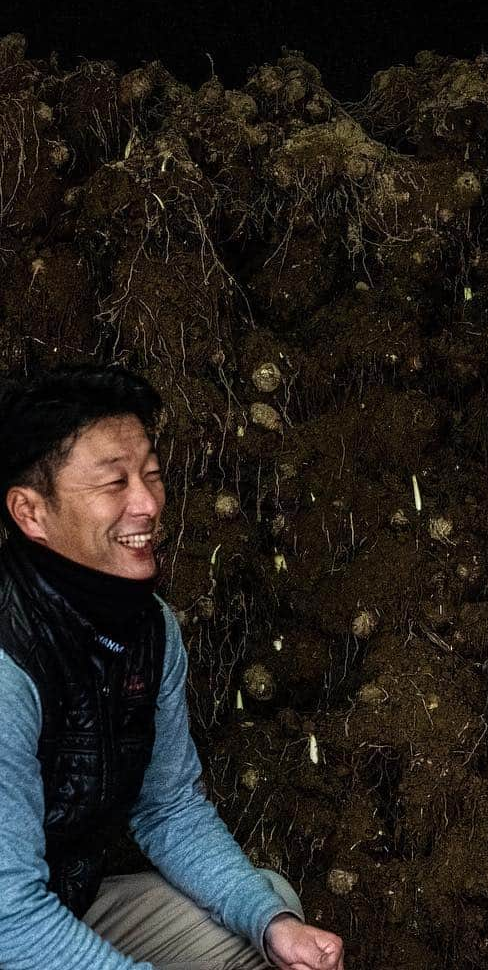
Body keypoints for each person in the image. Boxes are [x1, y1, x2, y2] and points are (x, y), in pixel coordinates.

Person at [0, 364, 346, 970]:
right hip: (12, 919)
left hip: (62, 897)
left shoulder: (150, 629)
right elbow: (9, 918)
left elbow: (167, 807)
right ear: (31, 513)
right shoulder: (7, 660)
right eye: (114, 484)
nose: (149, 504)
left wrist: (271, 923)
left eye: (152, 475)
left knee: (271, 925)